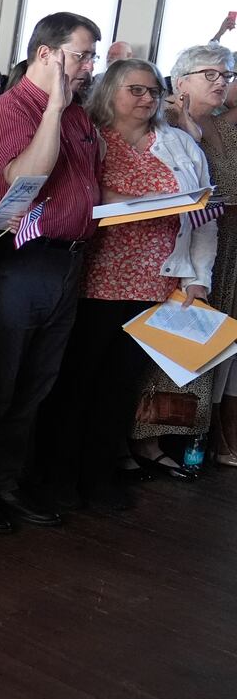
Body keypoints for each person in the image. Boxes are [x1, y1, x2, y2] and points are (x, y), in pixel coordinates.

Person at [0, 11, 102, 532]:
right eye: (81, 54)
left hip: (66, 260)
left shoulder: (81, 116)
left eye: (91, 56)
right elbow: (25, 184)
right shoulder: (7, 112)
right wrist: (55, 108)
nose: (89, 66)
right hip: (16, 263)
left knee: (37, 384)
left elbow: (88, 188)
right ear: (46, 54)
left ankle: (8, 483)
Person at [46, 58, 214, 499]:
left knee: (120, 385)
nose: (147, 98)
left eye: (154, 91)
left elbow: (202, 218)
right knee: (78, 378)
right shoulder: (92, 138)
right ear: (110, 92)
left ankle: (100, 476)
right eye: (135, 90)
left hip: (153, 282)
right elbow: (77, 196)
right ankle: (60, 477)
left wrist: (198, 278)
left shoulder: (178, 144)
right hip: (95, 278)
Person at [130, 45, 237, 468]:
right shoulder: (163, 122)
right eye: (211, 74)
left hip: (219, 250)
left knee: (202, 346)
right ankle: (144, 437)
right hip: (170, 247)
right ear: (182, 79)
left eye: (226, 76)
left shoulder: (225, 129)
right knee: (162, 350)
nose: (221, 83)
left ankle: (187, 435)